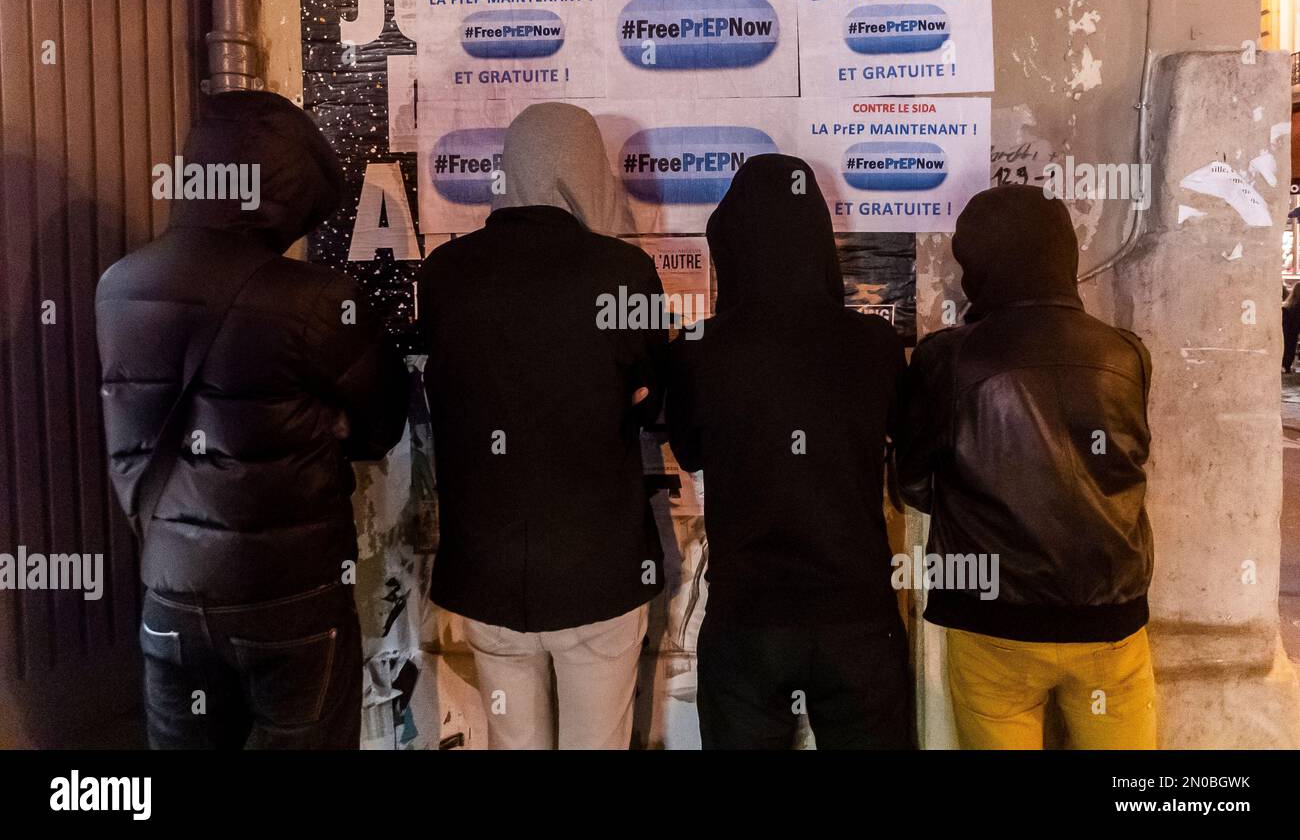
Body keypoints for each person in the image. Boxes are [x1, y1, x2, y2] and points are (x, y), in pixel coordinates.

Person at [96, 91, 407, 749]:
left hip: (168, 594)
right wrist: (327, 424)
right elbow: (381, 426)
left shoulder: (118, 285)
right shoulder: (320, 301)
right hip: (290, 600)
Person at [417, 102, 666, 750]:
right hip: (598, 572)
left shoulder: (445, 273)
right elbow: (652, 399)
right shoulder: (622, 272)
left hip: (488, 572)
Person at [897, 184, 1156, 750]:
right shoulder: (1126, 353)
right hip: (1110, 621)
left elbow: (913, 486)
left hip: (994, 623)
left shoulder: (946, 357)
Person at [666, 154, 910, 750]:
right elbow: (908, 449)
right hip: (857, 616)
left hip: (747, 618)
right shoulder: (874, 345)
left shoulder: (700, 347)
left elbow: (690, 450)